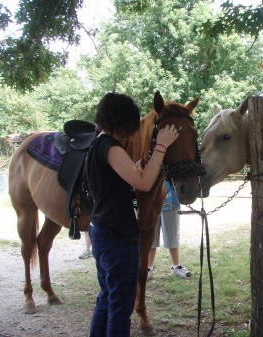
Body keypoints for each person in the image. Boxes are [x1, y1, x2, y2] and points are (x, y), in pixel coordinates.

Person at [84, 92, 179, 337]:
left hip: (103, 230)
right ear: (122, 119)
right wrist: (161, 146)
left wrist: (134, 175)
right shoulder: (111, 147)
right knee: (121, 304)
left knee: (107, 297)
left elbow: (116, 185)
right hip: (117, 235)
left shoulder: (96, 144)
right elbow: (145, 184)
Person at [147, 180, 192, 279]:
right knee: (150, 237)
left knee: (172, 236)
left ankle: (176, 266)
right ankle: (147, 268)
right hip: (151, 203)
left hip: (171, 202)